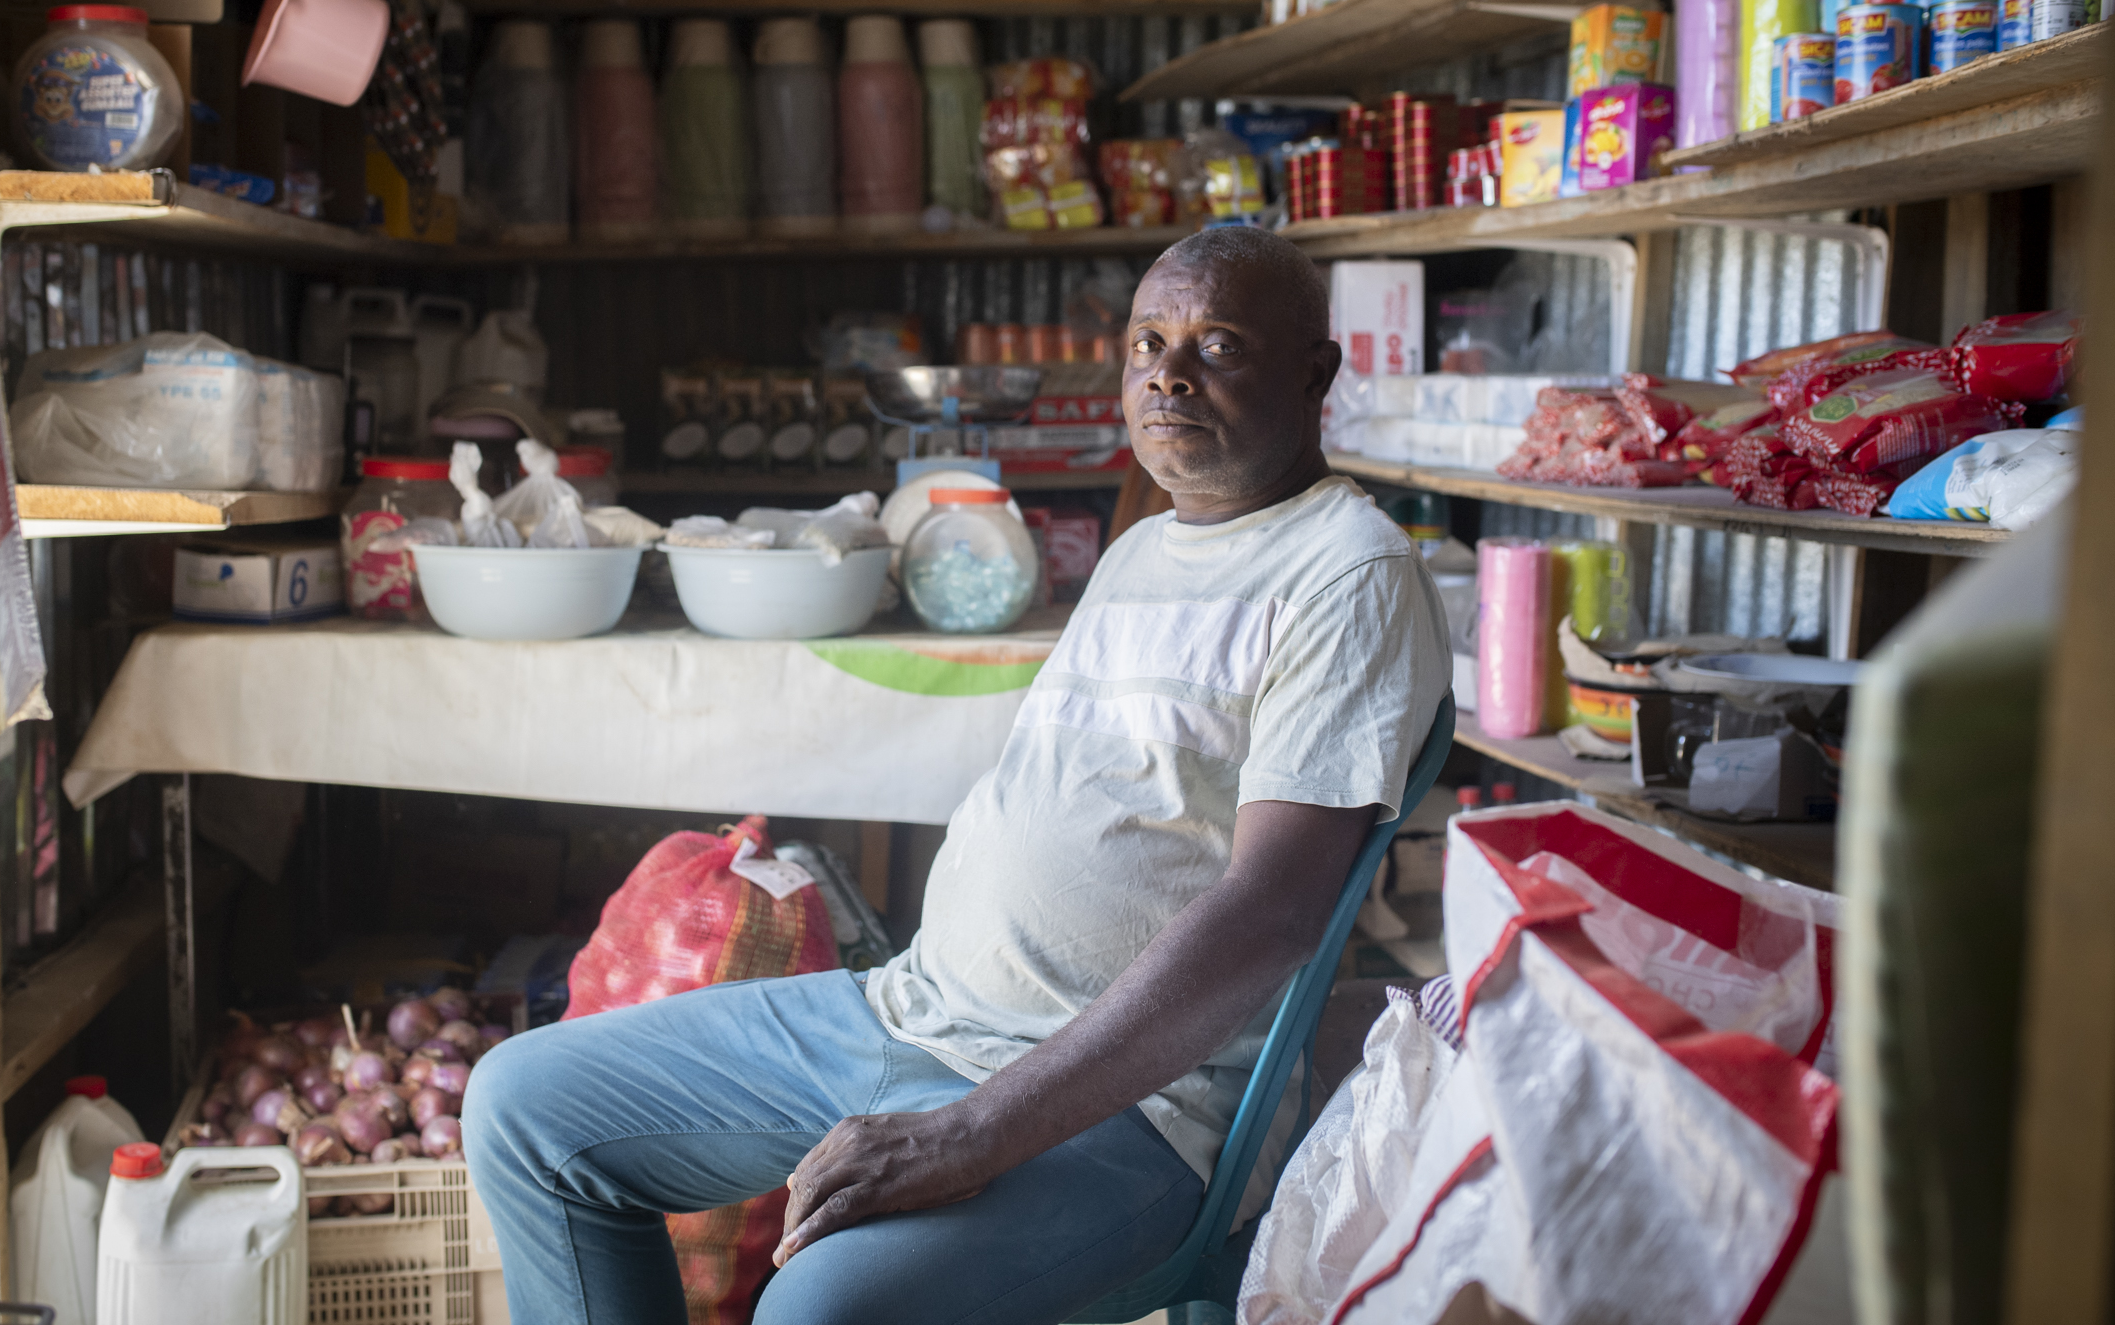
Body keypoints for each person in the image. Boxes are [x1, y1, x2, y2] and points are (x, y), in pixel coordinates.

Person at [464, 225, 1453, 1324]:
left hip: (1136, 1108)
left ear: (1314, 374)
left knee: (822, 1309)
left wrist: (976, 1131)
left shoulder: (1344, 570)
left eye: (1216, 347)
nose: (1168, 374)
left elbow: (1271, 912)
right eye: (1147, 344)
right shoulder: (1143, 548)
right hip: (919, 1011)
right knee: (522, 1105)